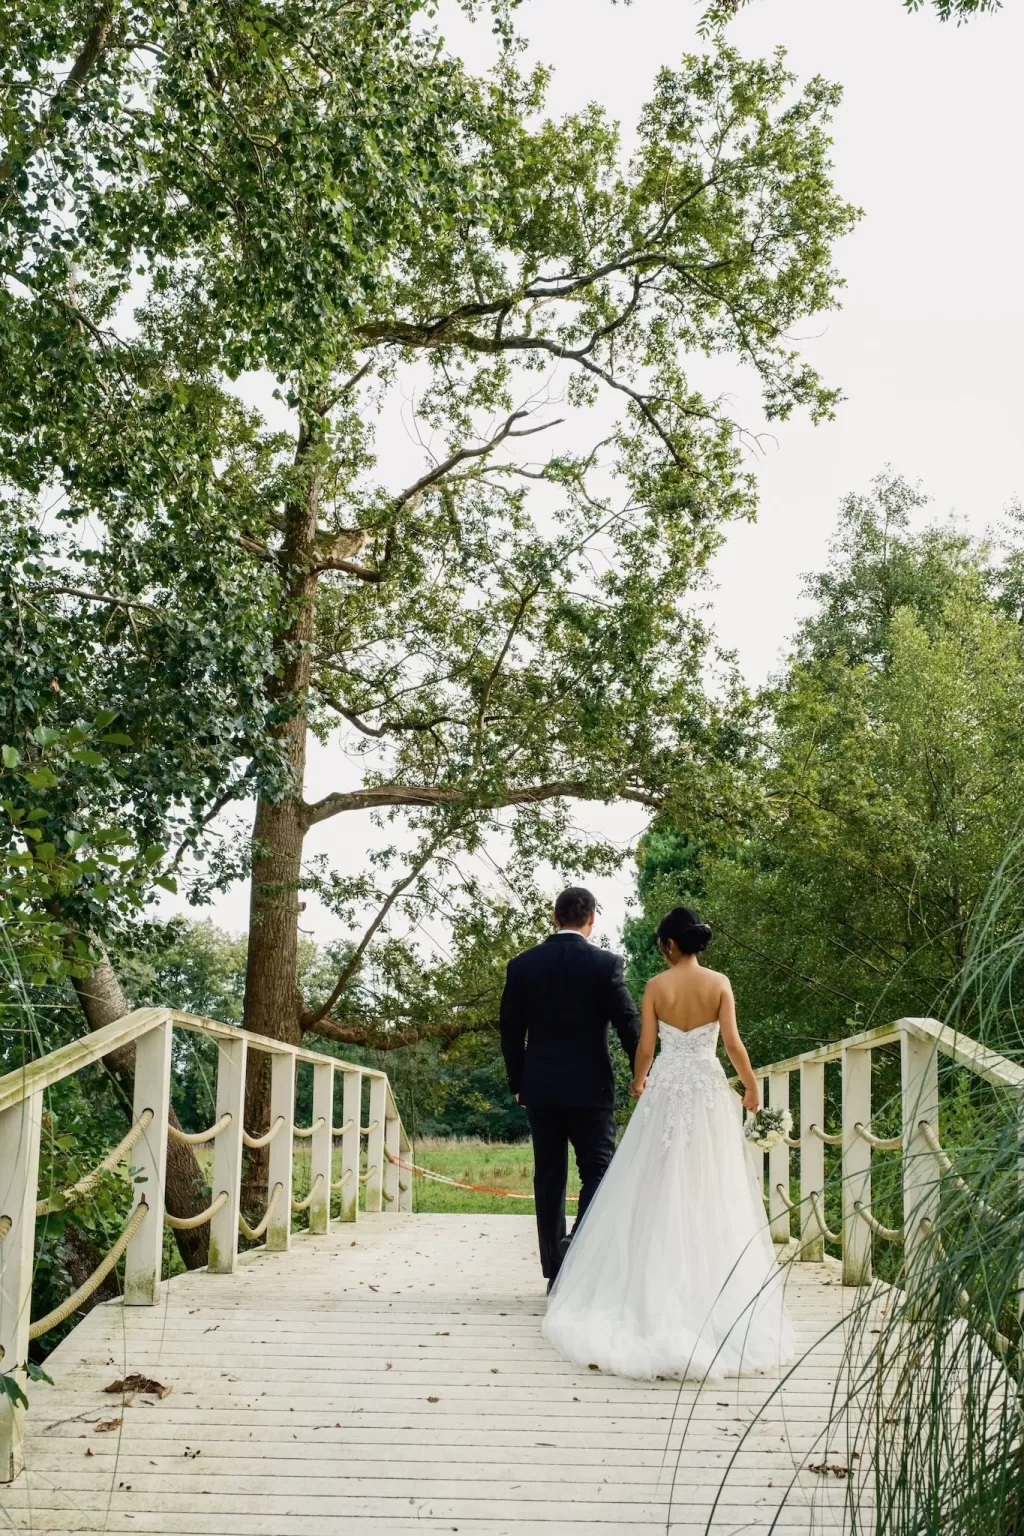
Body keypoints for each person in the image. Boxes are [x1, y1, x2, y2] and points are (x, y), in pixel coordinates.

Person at [542, 905, 793, 1380]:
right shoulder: (719, 983)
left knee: (653, 1181)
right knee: (709, 1184)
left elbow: (646, 1046)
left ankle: (646, 1282)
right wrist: (752, 1086)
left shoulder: (657, 986)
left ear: (669, 946)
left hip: (668, 1088)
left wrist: (640, 1081)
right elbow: (734, 1043)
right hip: (705, 1088)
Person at [499, 886, 641, 1290]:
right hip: (591, 1088)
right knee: (600, 1170)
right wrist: (641, 1072)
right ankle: (578, 1242)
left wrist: (518, 1082)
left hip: (540, 1088)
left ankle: (555, 1274)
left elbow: (510, 1033)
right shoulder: (605, 965)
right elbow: (630, 1025)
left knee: (549, 1177)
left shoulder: (523, 966)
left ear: (554, 917)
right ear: (592, 919)